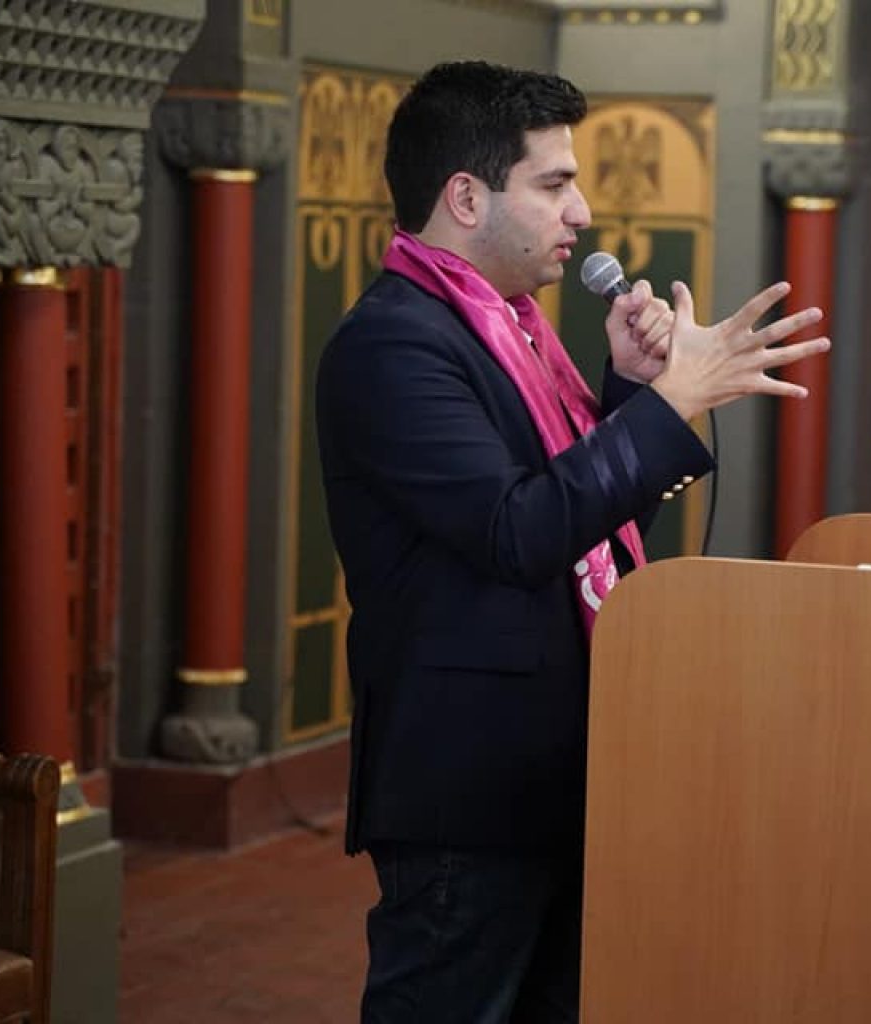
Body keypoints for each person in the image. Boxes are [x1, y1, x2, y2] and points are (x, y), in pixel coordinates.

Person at [315, 60, 830, 1023]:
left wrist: (630, 391)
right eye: (554, 184)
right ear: (466, 197)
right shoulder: (392, 345)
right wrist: (672, 403)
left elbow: (591, 537)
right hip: (468, 790)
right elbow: (518, 533)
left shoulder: (515, 333)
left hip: (563, 767)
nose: (581, 213)